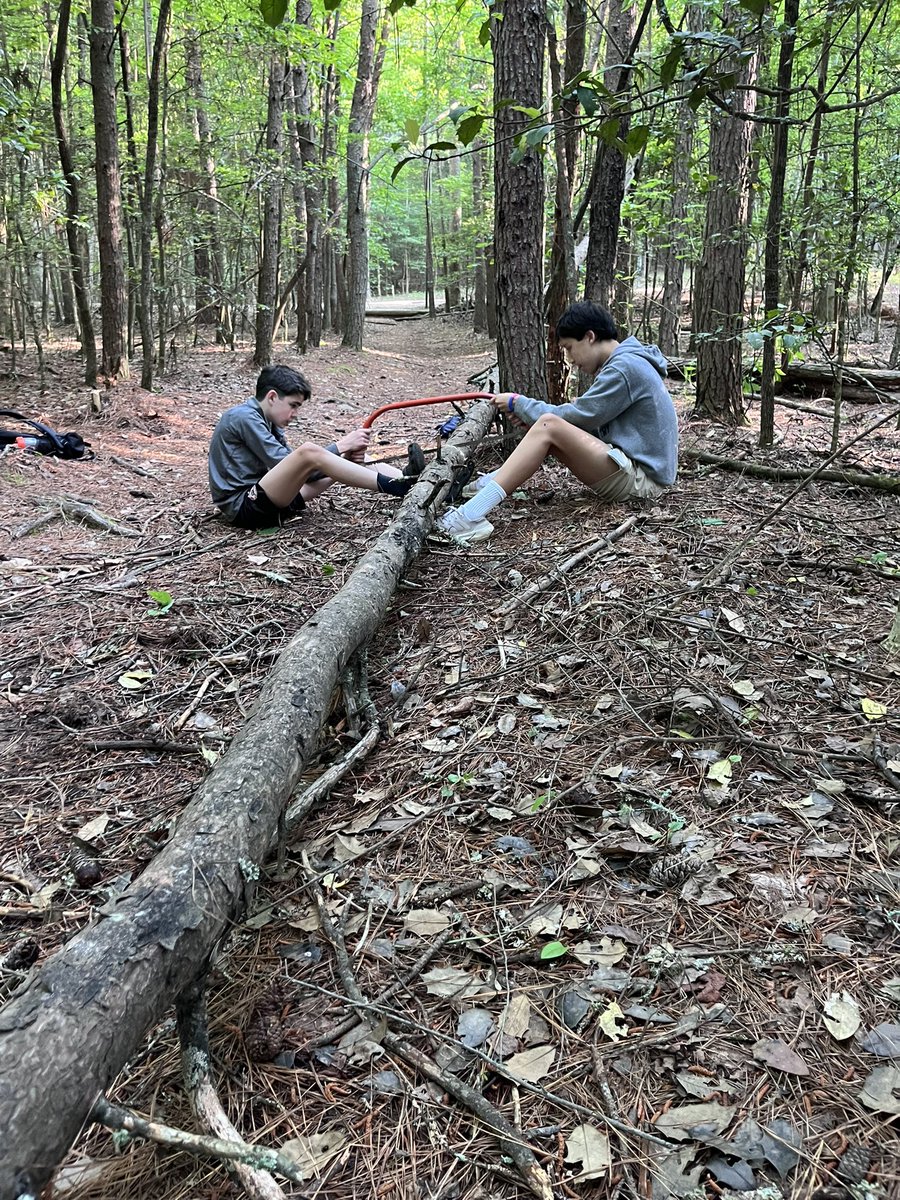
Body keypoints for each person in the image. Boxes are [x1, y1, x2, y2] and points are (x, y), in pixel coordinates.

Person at [437, 302, 678, 545]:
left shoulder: (625, 368)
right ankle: (485, 488)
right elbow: (589, 426)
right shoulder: (625, 363)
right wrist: (536, 427)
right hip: (636, 473)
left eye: (570, 348)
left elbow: (581, 416)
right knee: (548, 430)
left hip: (642, 482)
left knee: (549, 426)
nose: (570, 359)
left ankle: (468, 517)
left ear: (590, 337)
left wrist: (520, 404)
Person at [208, 365, 424, 529]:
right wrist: (341, 445)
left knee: (340, 459)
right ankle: (398, 487)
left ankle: (411, 483)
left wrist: (343, 454)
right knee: (310, 451)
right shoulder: (243, 417)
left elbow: (307, 473)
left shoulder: (269, 421)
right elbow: (288, 462)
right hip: (245, 507)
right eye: (293, 405)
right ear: (272, 397)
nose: (295, 414)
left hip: (269, 500)